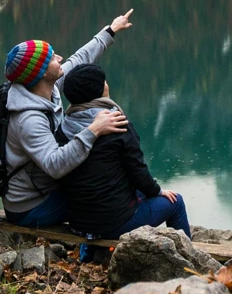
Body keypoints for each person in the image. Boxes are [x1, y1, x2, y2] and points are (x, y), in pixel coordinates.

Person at [1, 10, 135, 227]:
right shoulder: (28, 119)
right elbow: (55, 165)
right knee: (109, 197)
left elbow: (80, 58)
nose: (60, 58)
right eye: (53, 57)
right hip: (31, 205)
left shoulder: (47, 87)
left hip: (47, 187)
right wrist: (93, 130)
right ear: (42, 72)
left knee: (112, 185)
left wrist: (111, 30)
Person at [57, 64, 189, 245]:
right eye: (104, 81)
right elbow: (138, 171)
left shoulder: (65, 125)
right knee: (176, 203)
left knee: (139, 190)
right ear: (100, 89)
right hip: (113, 224)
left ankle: (90, 251)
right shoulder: (117, 124)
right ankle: (188, 259)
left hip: (78, 223)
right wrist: (158, 191)